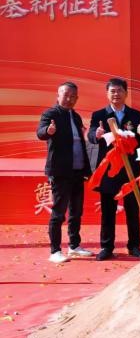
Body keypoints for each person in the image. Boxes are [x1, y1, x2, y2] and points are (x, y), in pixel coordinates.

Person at [89, 78, 140, 260]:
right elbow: (91, 135)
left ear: (126, 93)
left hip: (131, 170)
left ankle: (134, 246)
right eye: (112, 91)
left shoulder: (136, 115)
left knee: (132, 209)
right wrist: (96, 134)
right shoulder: (99, 115)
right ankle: (106, 247)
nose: (116, 94)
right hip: (110, 170)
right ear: (107, 94)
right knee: (107, 210)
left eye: (120, 90)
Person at [36, 82, 93, 263]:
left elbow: (81, 144)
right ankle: (55, 251)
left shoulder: (75, 117)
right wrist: (48, 130)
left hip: (77, 171)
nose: (69, 99)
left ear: (77, 98)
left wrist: (86, 169)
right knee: (59, 212)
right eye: (66, 95)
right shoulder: (50, 114)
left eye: (73, 96)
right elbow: (40, 133)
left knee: (76, 211)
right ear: (58, 95)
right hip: (60, 171)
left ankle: (74, 246)